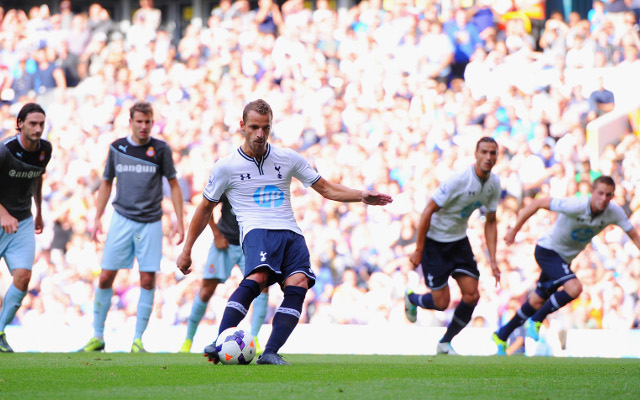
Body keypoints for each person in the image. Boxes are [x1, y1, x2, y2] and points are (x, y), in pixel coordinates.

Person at [176, 99, 392, 365]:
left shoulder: (287, 158)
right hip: (257, 231)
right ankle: (221, 341)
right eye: (254, 127)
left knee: (299, 284)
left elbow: (326, 189)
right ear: (242, 126)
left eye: (265, 128)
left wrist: (361, 196)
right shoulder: (226, 166)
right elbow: (204, 208)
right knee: (259, 277)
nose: (260, 134)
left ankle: (270, 352)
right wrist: (187, 250)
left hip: (291, 233)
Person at [492, 176, 640, 355]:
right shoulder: (575, 205)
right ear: (592, 192)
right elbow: (538, 203)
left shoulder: (613, 212)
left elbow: (633, 234)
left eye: (608, 195)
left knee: (537, 299)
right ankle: (537, 319)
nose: (603, 199)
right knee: (575, 288)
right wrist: (514, 230)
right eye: (600, 193)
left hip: (563, 259)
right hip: (547, 250)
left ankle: (502, 334)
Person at [79, 101, 184, 353]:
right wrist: (97, 218)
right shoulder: (117, 148)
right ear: (131, 122)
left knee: (147, 278)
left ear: (152, 122)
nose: (144, 126)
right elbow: (106, 183)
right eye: (139, 121)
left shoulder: (161, 149)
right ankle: (97, 336)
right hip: (121, 218)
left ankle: (137, 340)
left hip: (151, 221)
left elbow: (174, 185)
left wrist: (181, 221)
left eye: (148, 121)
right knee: (106, 275)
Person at [404, 137, 501, 355]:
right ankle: (412, 298)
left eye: (492, 153)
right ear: (475, 154)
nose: (488, 157)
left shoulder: (494, 184)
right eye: (484, 152)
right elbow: (428, 210)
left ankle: (445, 342)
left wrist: (493, 260)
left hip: (458, 241)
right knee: (441, 303)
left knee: (472, 295)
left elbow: (492, 221)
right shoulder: (458, 180)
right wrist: (419, 249)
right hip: (435, 243)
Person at [179, 193, 269, 353]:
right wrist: (217, 234)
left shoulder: (257, 181)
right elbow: (207, 207)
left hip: (250, 243)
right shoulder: (229, 177)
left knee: (262, 285)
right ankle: (188, 340)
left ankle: (255, 336)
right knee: (206, 290)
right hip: (225, 241)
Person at [0, 103, 52, 352]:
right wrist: (3, 213)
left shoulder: (45, 150)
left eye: (41, 123)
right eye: (33, 123)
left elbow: (37, 178)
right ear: (19, 123)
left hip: (22, 221)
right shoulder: (4, 150)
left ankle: (0, 332)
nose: (38, 128)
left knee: (23, 277)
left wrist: (39, 210)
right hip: (2, 217)